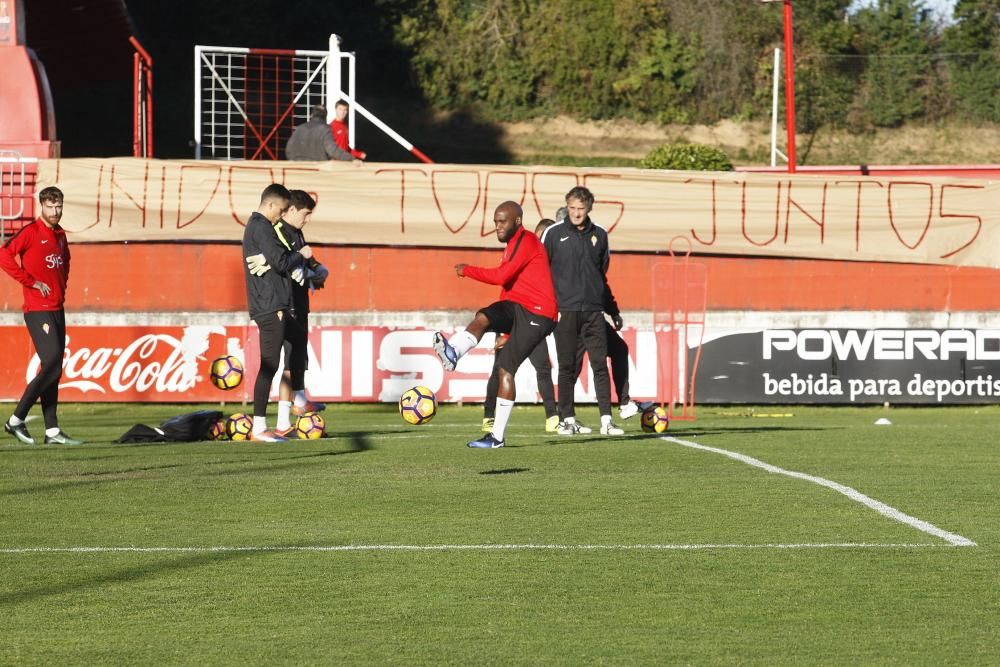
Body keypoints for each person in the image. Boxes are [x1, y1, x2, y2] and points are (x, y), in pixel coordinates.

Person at [432, 201, 557, 449]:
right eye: (495, 222)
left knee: (505, 368)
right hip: (519, 308)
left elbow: (501, 276)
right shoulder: (513, 244)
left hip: (539, 314)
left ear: (517, 221)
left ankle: (496, 437)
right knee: (485, 315)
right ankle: (453, 351)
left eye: (502, 222)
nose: (497, 227)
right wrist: (505, 328)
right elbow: (508, 288)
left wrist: (467, 270)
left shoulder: (528, 241)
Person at [0, 186, 82, 445]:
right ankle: (15, 420)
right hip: (37, 310)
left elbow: (65, 263)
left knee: (54, 369)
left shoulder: (60, 235)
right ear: (41, 206)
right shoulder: (32, 232)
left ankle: (52, 431)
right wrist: (31, 282)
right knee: (53, 362)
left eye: (58, 206)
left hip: (57, 308)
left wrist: (62, 287)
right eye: (50, 206)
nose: (55, 211)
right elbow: (4, 255)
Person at [541, 186, 624, 436]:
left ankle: (606, 421)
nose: (576, 213)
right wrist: (548, 308)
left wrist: (612, 310)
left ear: (589, 209)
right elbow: (540, 273)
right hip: (564, 312)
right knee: (567, 367)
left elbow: (601, 275)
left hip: (593, 312)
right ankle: (567, 419)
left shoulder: (600, 234)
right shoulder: (552, 234)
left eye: (581, 209)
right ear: (567, 207)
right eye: (572, 208)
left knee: (600, 365)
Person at [241, 183, 313, 441]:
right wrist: (301, 254)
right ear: (270, 205)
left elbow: (274, 261)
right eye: (280, 210)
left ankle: (296, 403)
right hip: (269, 305)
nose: (281, 216)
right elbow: (281, 261)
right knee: (269, 366)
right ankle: (259, 427)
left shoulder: (260, 226)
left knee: (290, 351)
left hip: (273, 304)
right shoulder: (261, 226)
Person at [481, 218, 560, 433]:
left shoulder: (547, 261)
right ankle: (489, 416)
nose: (543, 239)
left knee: (543, 368)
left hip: (534, 321)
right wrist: (505, 330)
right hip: (513, 317)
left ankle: (552, 416)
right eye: (542, 235)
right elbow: (505, 287)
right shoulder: (522, 252)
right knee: (499, 369)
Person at [271, 190, 329, 437]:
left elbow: (307, 259)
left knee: (298, 358)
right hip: (285, 302)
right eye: (305, 214)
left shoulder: (296, 232)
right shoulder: (279, 232)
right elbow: (285, 264)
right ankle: (284, 421)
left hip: (300, 301)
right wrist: (306, 271)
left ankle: (301, 401)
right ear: (292, 210)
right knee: (289, 359)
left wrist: (318, 272)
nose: (307, 219)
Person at [285, 105, 357, 162]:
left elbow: (288, 150)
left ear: (312, 115)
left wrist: (297, 160)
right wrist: (352, 159)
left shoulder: (299, 128)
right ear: (325, 116)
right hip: (317, 171)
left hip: (298, 170)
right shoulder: (325, 129)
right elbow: (332, 150)